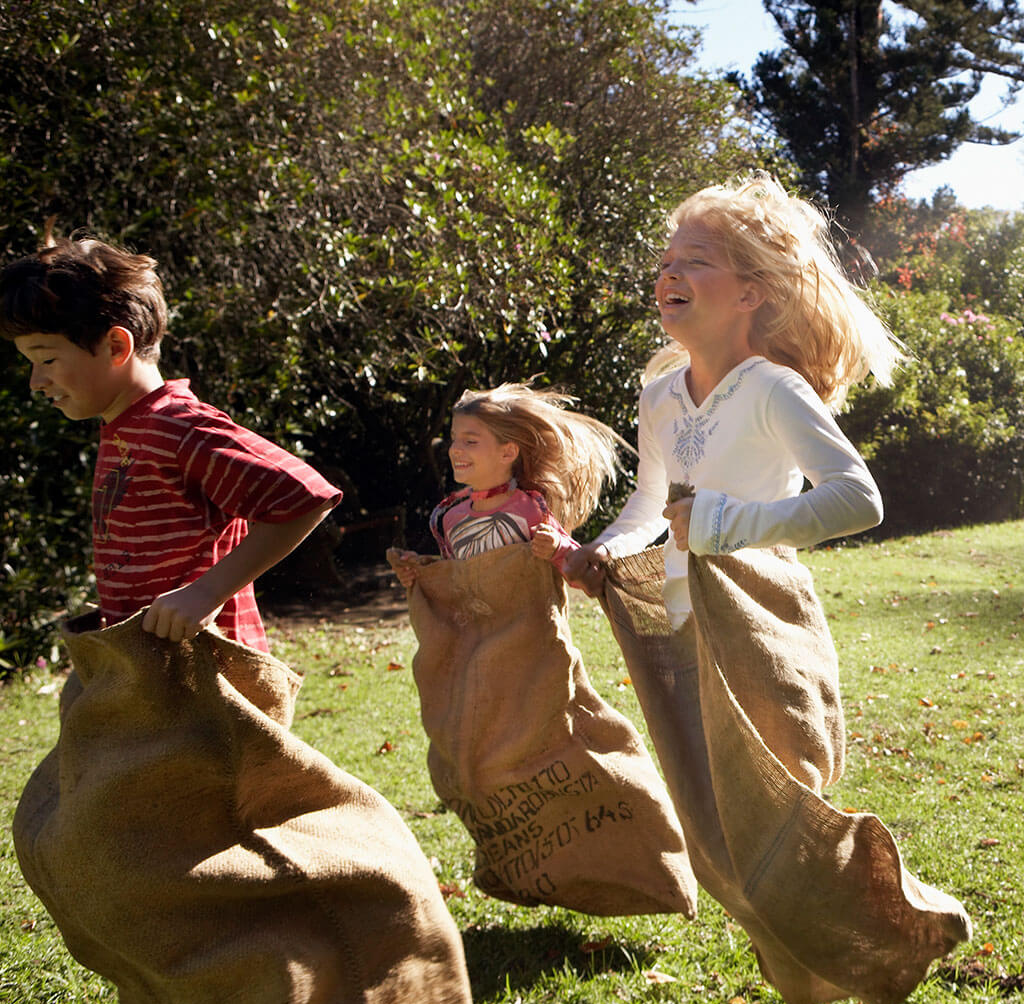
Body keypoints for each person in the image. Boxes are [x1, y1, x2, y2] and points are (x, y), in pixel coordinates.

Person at [563, 172, 902, 613]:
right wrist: (608, 547)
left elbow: (857, 499)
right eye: (665, 264)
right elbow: (652, 500)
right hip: (683, 620)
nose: (670, 274)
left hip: (763, 618)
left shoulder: (773, 388)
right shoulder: (658, 397)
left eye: (696, 261)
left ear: (749, 295)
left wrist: (726, 522)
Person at [1, 235, 342, 652]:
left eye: (47, 360)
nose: (35, 382)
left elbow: (306, 496)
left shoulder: (177, 426)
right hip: (153, 675)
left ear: (116, 346)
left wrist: (207, 592)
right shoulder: (125, 428)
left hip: (207, 676)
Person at [392, 382, 627, 587]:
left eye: (470, 441)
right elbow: (457, 586)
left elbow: (581, 576)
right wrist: (418, 573)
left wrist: (557, 548)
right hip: (478, 627)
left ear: (507, 453)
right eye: (454, 438)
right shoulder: (452, 519)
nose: (454, 449)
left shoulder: (529, 510)